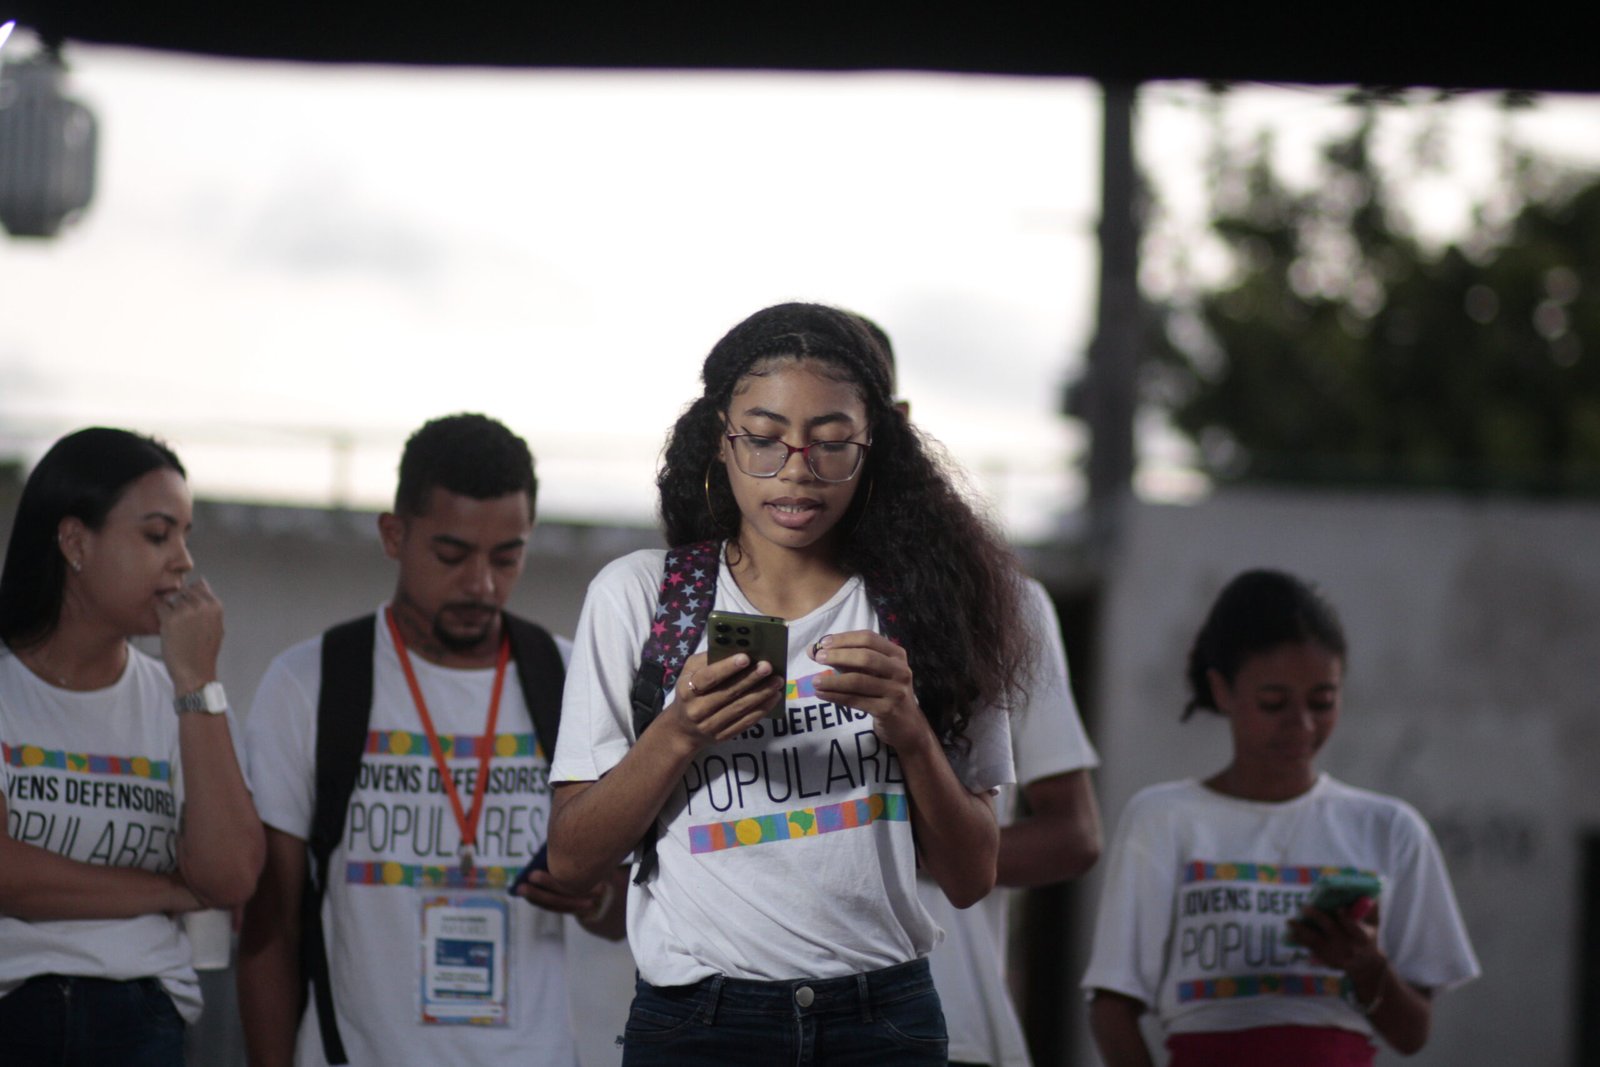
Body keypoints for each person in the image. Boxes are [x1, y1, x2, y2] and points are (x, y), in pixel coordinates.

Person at [546, 302, 1037, 1065]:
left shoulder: (933, 606)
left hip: (884, 1021)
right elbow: (572, 860)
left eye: (832, 441)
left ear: (874, 446)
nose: (798, 469)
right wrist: (678, 731)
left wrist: (910, 731)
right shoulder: (641, 596)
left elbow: (973, 875)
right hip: (700, 1021)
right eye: (764, 437)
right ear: (721, 437)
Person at [237, 413, 625, 1067]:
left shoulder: (571, 677)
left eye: (507, 557)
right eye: (452, 555)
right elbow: (269, 927)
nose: (481, 584)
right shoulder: (310, 683)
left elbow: (624, 912)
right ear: (394, 534)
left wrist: (595, 899)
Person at [1081, 569, 1479, 1067]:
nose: (1302, 724)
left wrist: (1366, 966)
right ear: (1222, 691)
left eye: (1322, 701)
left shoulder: (1391, 830)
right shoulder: (1164, 819)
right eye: (1273, 703)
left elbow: (1413, 1033)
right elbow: (1112, 1006)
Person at [854, 312, 1103, 1067]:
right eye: (778, 424)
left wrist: (891, 854)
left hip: (944, 1021)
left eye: (838, 419)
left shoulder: (992, 600)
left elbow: (1073, 834)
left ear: (896, 421)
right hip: (759, 1026)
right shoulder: (714, 604)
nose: (809, 452)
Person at [0, 427, 264, 1066]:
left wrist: (197, 683)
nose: (183, 561)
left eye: (185, 536)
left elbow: (230, 875)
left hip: (141, 1019)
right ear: (74, 542)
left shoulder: (181, 697)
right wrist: (169, 890)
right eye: (157, 535)